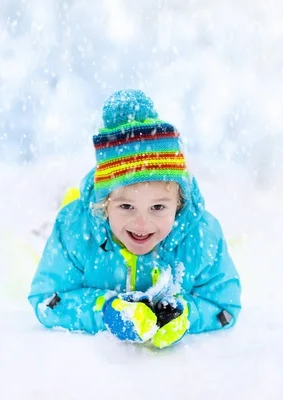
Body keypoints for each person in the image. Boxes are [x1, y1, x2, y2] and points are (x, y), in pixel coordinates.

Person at [28, 89, 241, 349]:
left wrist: (184, 315)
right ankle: (63, 202)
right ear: (105, 204)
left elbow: (224, 308)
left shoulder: (201, 236)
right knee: (62, 215)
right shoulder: (75, 230)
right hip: (82, 219)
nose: (142, 224)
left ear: (179, 203)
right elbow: (47, 300)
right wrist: (105, 311)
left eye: (158, 207)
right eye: (126, 206)